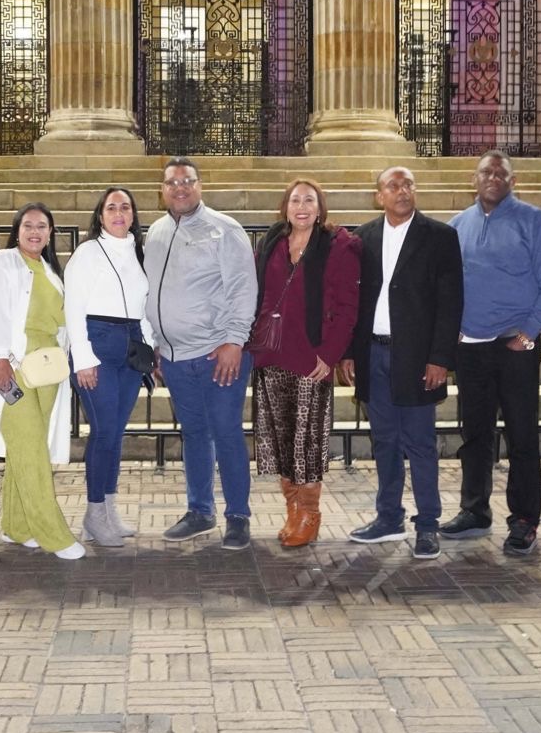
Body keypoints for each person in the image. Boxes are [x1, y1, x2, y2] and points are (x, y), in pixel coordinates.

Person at [442, 152, 541, 556]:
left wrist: (529, 332)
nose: (493, 177)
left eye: (501, 172)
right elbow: (448, 286)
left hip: (515, 344)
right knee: (475, 434)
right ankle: (475, 510)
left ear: (513, 181)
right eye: (486, 171)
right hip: (471, 348)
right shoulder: (458, 225)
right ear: (474, 179)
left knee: (522, 435)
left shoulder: (534, 221)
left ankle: (525, 519)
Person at [340, 167, 462, 559]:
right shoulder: (363, 238)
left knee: (420, 443)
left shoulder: (440, 236)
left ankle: (427, 525)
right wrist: (349, 352)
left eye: (408, 184)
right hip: (372, 353)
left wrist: (439, 358)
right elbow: (352, 301)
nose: (402, 191)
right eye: (393, 186)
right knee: (385, 440)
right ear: (379, 196)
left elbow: (450, 303)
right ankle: (389, 517)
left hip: (417, 357)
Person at [145, 156, 259, 550]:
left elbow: (243, 288)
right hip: (174, 358)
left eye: (187, 181)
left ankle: (238, 516)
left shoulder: (225, 230)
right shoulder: (155, 233)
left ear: (199, 186)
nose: (180, 188)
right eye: (172, 182)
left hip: (217, 354)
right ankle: (200, 511)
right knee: (194, 435)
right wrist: (157, 343)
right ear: (162, 190)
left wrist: (235, 341)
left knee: (226, 433)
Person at [0, 203, 85, 560]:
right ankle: (53, 534)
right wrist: (0, 359)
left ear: (50, 233)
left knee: (26, 449)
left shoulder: (50, 271)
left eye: (42, 226)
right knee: (31, 448)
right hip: (11, 370)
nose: (35, 232)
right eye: (28, 225)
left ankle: (17, 526)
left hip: (45, 373)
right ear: (17, 230)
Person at [249, 179, 361, 548]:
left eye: (309, 200)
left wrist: (329, 355)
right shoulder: (272, 242)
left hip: (311, 359)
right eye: (295, 200)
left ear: (320, 208)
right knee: (281, 440)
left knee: (307, 442)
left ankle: (310, 513)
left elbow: (347, 307)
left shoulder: (338, 246)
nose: (302, 207)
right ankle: (292, 511)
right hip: (272, 355)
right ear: (285, 207)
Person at [64, 187, 155, 547]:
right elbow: (73, 308)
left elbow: (142, 306)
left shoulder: (138, 252)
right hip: (96, 343)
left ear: (133, 215)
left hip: (131, 346)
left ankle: (108, 511)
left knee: (116, 433)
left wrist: (150, 347)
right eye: (111, 207)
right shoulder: (87, 253)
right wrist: (83, 358)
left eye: (125, 207)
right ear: (100, 216)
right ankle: (94, 511)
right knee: (103, 432)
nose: (119, 213)